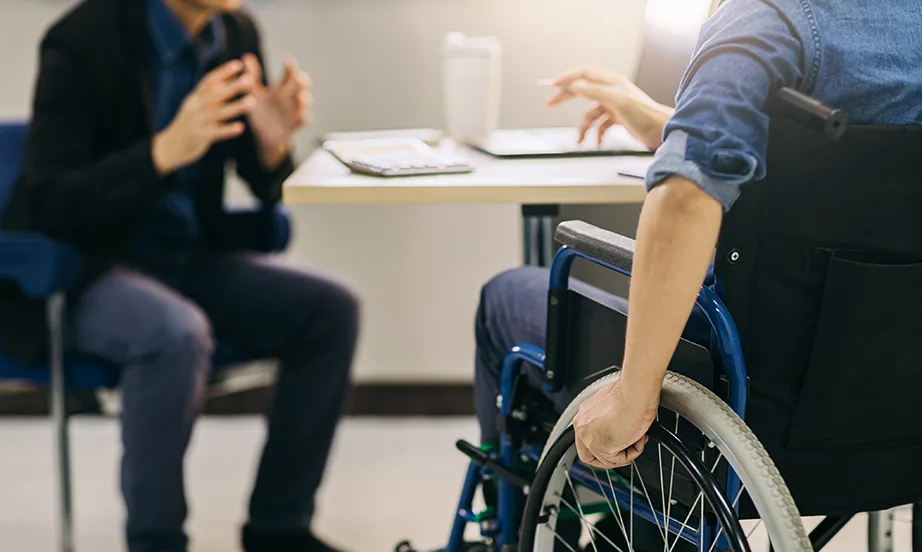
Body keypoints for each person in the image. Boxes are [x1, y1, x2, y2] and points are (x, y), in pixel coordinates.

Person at [475, 0, 922, 496]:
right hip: (894, 407)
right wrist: (663, 122)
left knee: (506, 296)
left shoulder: (772, 19)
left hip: (749, 411)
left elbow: (686, 201)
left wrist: (632, 397)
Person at [0, 0, 359, 551]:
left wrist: (272, 147)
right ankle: (156, 540)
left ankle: (277, 528)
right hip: (89, 269)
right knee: (173, 332)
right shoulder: (80, 39)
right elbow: (50, 202)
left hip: (189, 260)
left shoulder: (234, 33)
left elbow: (262, 184)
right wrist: (161, 153)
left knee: (330, 310)